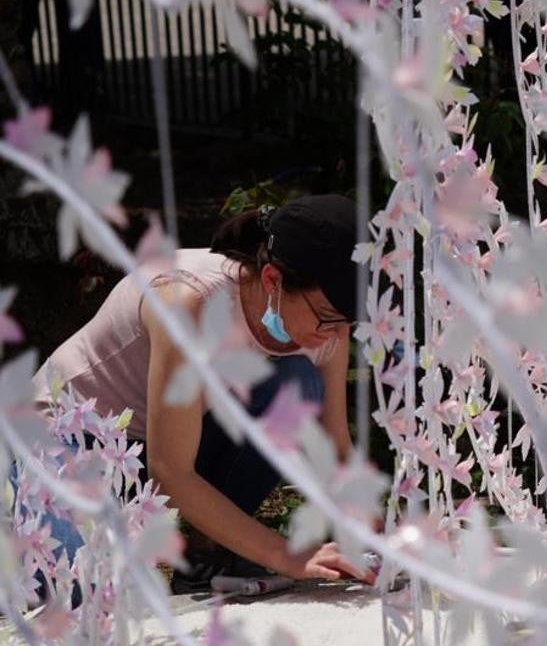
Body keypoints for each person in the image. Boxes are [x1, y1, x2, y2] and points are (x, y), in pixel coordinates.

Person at [27, 194, 371, 593]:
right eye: (328, 319)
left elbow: (337, 446)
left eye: (347, 322)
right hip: (66, 440)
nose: (335, 333)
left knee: (298, 383)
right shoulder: (187, 302)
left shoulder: (329, 322)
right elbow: (170, 471)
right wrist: (286, 554)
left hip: (160, 438)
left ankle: (206, 558)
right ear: (273, 280)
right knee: (77, 595)